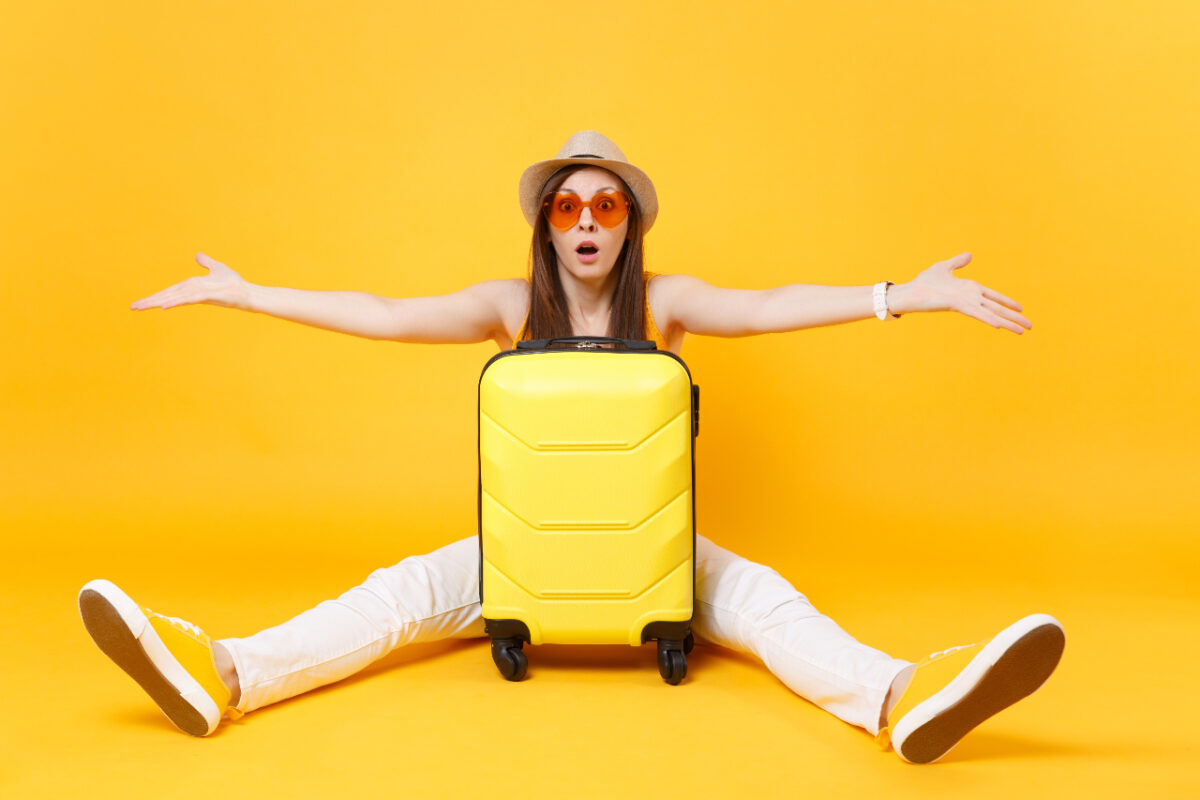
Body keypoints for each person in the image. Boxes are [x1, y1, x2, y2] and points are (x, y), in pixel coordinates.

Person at [79, 131, 1064, 764]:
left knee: (763, 601)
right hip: (523, 553)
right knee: (392, 598)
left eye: (606, 206)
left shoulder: (664, 301)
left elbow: (770, 308)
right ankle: (226, 673)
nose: (586, 220)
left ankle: (902, 696)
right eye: (567, 206)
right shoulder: (510, 307)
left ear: (629, 225)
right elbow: (382, 313)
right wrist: (251, 292)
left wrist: (904, 293)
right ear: (545, 227)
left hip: (653, 555)